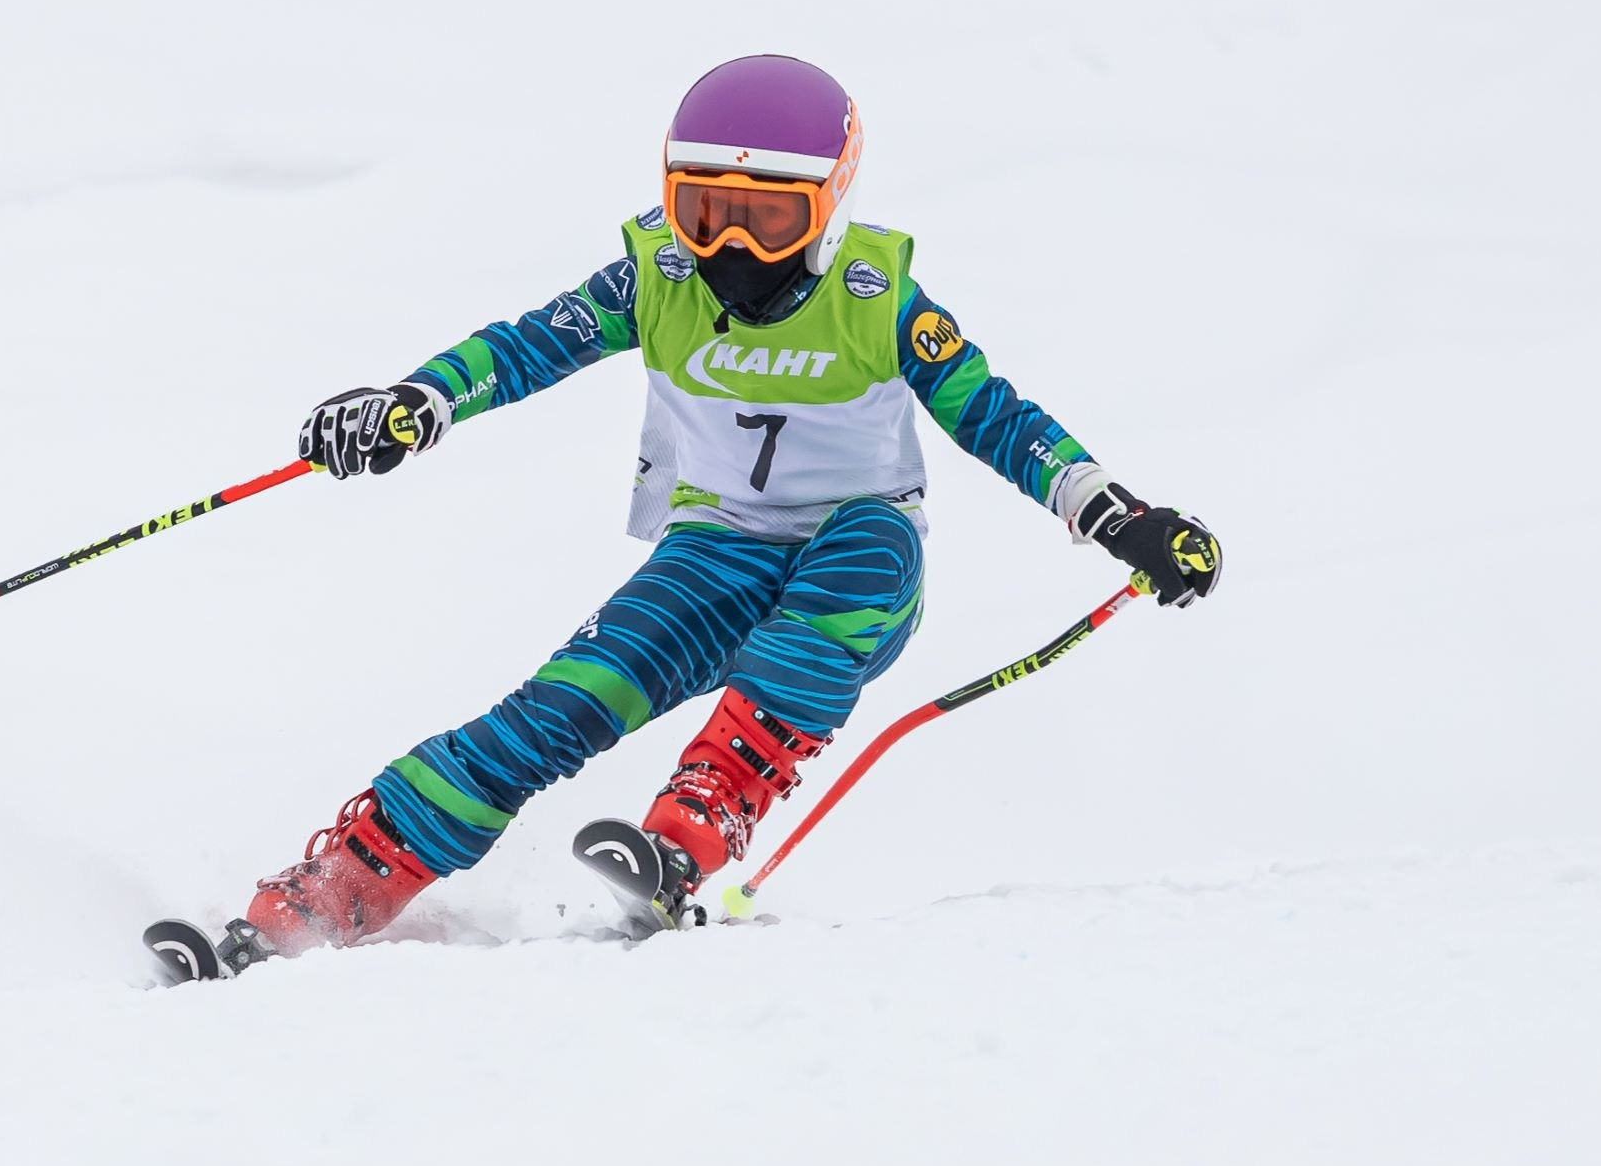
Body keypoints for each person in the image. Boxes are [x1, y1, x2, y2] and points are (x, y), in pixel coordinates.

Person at [245, 54, 1220, 952]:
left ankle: (696, 822)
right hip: (713, 556)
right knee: (556, 710)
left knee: (868, 545)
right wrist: (415, 402)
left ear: (828, 209)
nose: (729, 246)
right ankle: (331, 891)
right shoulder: (657, 278)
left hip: (854, 562)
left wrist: (1118, 517)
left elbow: (995, 417)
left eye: (768, 220)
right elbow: (524, 346)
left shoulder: (876, 300)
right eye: (702, 210)